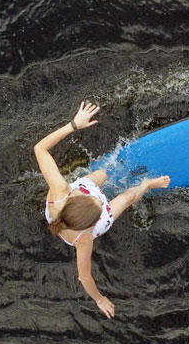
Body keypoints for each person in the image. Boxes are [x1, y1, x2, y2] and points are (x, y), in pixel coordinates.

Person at [34, 101, 170, 319]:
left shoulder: (60, 189)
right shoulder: (85, 238)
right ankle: (146, 185)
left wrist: (74, 125)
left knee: (103, 175)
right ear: (93, 223)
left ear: (74, 198)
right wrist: (99, 299)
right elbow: (84, 278)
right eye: (101, 207)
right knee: (125, 198)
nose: (101, 200)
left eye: (95, 199)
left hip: (73, 199)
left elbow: (39, 148)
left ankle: (96, 182)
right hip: (83, 215)